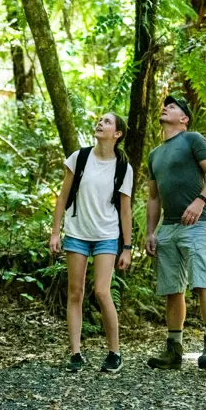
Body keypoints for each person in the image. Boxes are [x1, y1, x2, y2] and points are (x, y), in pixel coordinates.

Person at [49, 113, 134, 374]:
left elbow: (125, 210)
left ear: (117, 134)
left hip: (106, 235)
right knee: (75, 292)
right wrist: (55, 232)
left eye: (107, 122)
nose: (100, 123)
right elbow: (63, 197)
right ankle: (75, 354)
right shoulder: (80, 157)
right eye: (99, 120)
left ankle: (114, 353)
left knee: (102, 292)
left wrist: (127, 247)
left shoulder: (123, 167)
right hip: (77, 233)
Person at [144, 96, 206, 369]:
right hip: (168, 227)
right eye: (165, 105)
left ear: (184, 118)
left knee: (203, 281)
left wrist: (200, 201)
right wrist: (150, 232)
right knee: (172, 289)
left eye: (173, 106)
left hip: (197, 224)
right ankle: (173, 350)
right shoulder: (154, 154)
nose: (166, 107)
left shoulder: (193, 140)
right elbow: (154, 197)